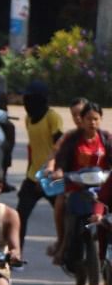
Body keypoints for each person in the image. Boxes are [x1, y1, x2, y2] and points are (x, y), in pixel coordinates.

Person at [47, 101, 112, 263]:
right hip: (75, 185)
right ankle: (62, 243)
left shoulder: (106, 138)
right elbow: (61, 158)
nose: (93, 122)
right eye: (89, 119)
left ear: (101, 119)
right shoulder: (72, 138)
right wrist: (59, 171)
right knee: (60, 202)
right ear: (81, 120)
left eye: (96, 119)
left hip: (101, 187)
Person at [17, 81, 64, 255]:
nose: (26, 102)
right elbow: (33, 147)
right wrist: (31, 173)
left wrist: (54, 171)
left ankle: (66, 251)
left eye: (30, 98)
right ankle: (17, 254)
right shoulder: (28, 118)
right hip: (32, 177)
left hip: (51, 177)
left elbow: (60, 144)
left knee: (63, 216)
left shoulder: (52, 117)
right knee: (20, 216)